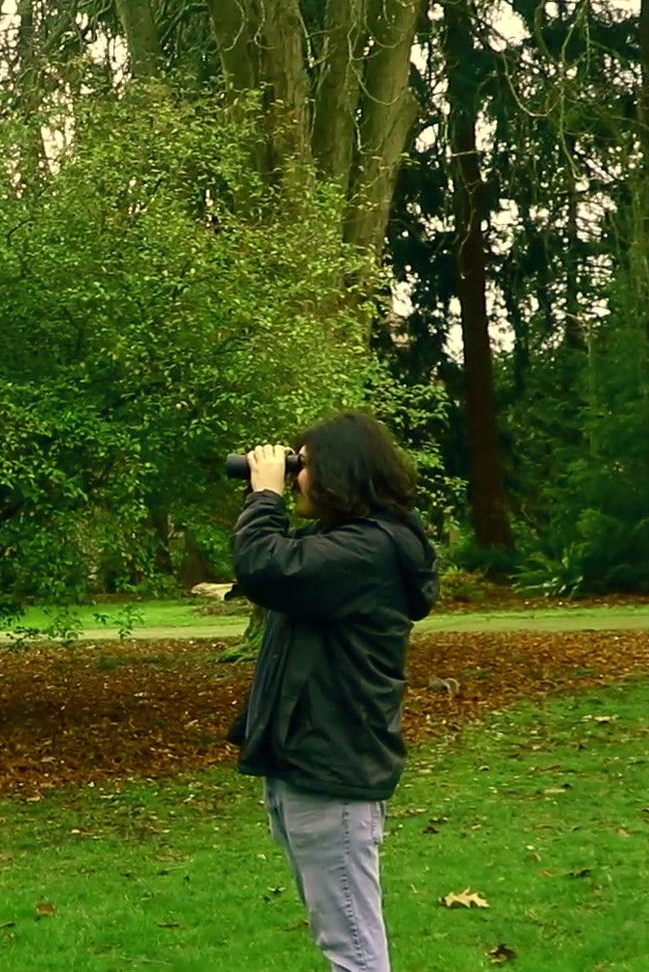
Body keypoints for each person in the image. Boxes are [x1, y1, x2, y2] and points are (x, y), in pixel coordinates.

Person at [226, 410, 439, 972]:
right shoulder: (345, 544)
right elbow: (275, 567)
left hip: (332, 764)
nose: (295, 475)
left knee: (353, 947)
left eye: (305, 465)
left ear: (340, 473)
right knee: (341, 935)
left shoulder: (367, 552)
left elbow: (264, 566)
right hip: (309, 759)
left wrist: (264, 497)